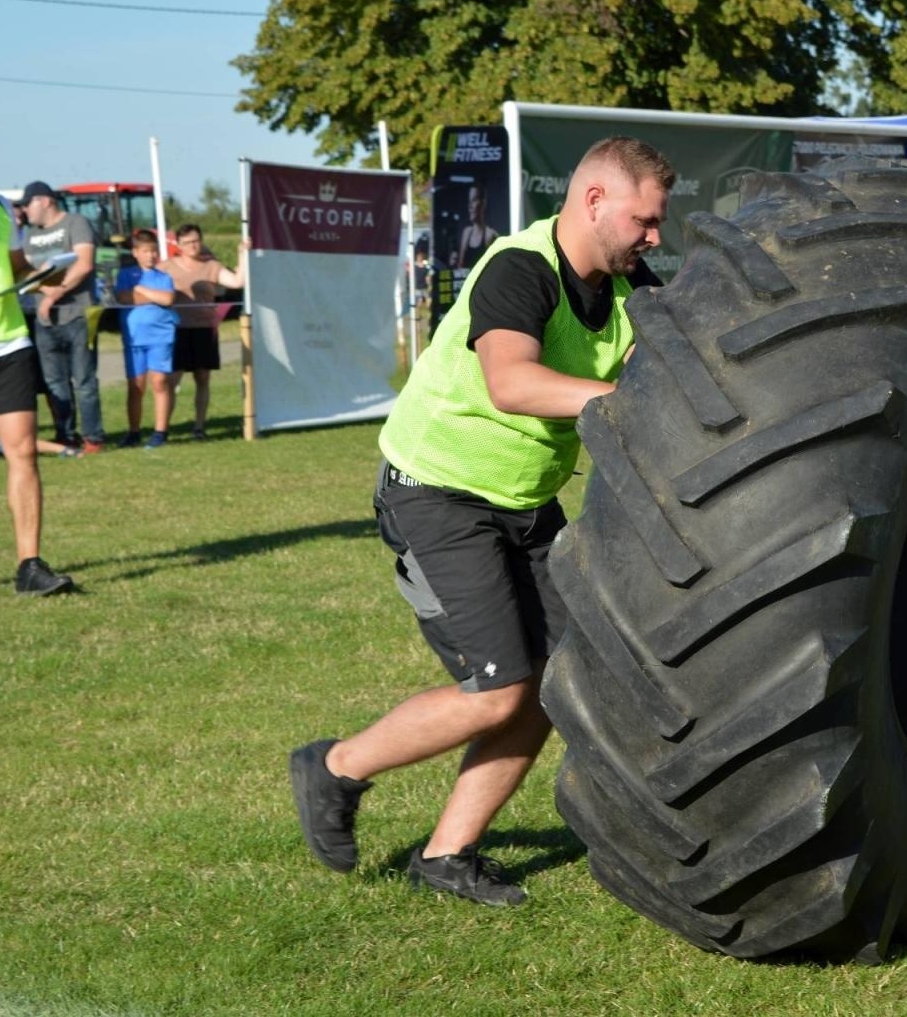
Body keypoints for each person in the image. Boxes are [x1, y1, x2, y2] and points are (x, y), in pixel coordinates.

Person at [288, 137, 674, 903]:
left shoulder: (634, 286)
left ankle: (445, 856)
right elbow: (513, 383)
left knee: (556, 685)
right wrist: (624, 402)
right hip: (437, 493)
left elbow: (666, 364)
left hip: (525, 505)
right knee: (497, 691)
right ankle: (333, 766)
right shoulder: (519, 268)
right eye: (645, 220)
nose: (655, 236)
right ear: (594, 200)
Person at [0, 191, 75, 595]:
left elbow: (14, 266)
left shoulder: (1, 206)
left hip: (8, 345)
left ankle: (30, 567)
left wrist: (44, 276)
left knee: (22, 452)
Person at [20, 181, 103, 453]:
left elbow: (85, 263)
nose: (24, 209)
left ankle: (93, 438)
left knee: (84, 381)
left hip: (78, 315)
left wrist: (55, 295)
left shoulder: (76, 223)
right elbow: (25, 272)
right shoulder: (29, 235)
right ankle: (65, 436)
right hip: (44, 321)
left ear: (44, 201)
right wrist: (44, 288)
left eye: (27, 203)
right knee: (55, 384)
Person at [162, 224, 246, 441]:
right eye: (188, 242)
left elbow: (237, 282)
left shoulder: (212, 266)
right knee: (171, 381)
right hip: (176, 331)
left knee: (202, 378)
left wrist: (242, 255)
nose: (193, 246)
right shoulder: (166, 267)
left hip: (204, 330)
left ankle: (199, 427)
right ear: (178, 245)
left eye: (196, 241)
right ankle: (164, 428)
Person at [113, 230, 180, 449]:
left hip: (160, 336)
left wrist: (141, 290)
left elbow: (168, 298)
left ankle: (161, 432)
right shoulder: (126, 275)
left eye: (154, 251)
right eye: (146, 251)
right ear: (135, 253)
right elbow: (123, 298)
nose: (151, 255)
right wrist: (153, 297)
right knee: (136, 386)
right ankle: (134, 432)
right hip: (134, 338)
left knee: (159, 381)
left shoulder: (163, 277)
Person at [449, 183, 499, 272]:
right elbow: (460, 266)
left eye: (474, 200)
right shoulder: (467, 232)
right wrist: (453, 262)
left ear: (483, 203)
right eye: (469, 201)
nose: (470, 206)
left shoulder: (491, 235)